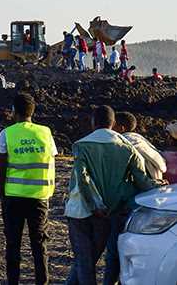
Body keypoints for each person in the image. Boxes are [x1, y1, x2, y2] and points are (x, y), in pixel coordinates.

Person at [64, 106, 161, 285]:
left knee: (85, 263)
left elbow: (82, 180)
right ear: (114, 123)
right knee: (89, 260)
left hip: (80, 210)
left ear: (93, 123)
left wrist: (94, 206)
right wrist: (160, 187)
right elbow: (142, 181)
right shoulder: (128, 149)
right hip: (108, 212)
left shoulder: (81, 145)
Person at [0, 93, 56, 285]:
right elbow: (50, 160)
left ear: (14, 111)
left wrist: (2, 198)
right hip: (39, 197)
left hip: (13, 198)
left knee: (13, 246)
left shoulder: (7, 134)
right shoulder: (46, 133)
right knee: (39, 246)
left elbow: (2, 169)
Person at [114, 112, 166, 181]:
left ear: (121, 128)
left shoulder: (126, 143)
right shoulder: (140, 140)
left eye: (112, 125)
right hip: (156, 184)